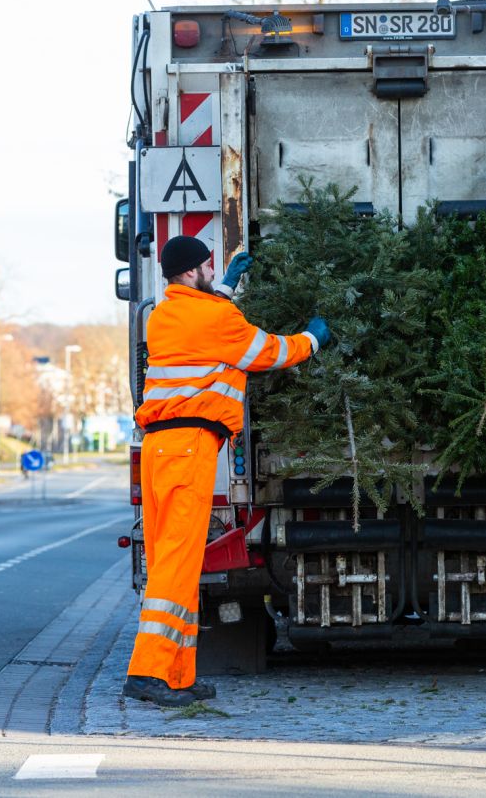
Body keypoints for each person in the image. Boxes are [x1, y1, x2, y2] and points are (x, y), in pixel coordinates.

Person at [123, 235, 331, 708]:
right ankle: (148, 672)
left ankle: (177, 675)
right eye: (209, 268)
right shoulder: (217, 318)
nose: (214, 273)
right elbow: (271, 352)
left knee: (169, 565)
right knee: (178, 564)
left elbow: (206, 324)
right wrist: (314, 338)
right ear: (194, 272)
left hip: (158, 448)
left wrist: (225, 294)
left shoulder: (161, 318)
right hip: (190, 450)